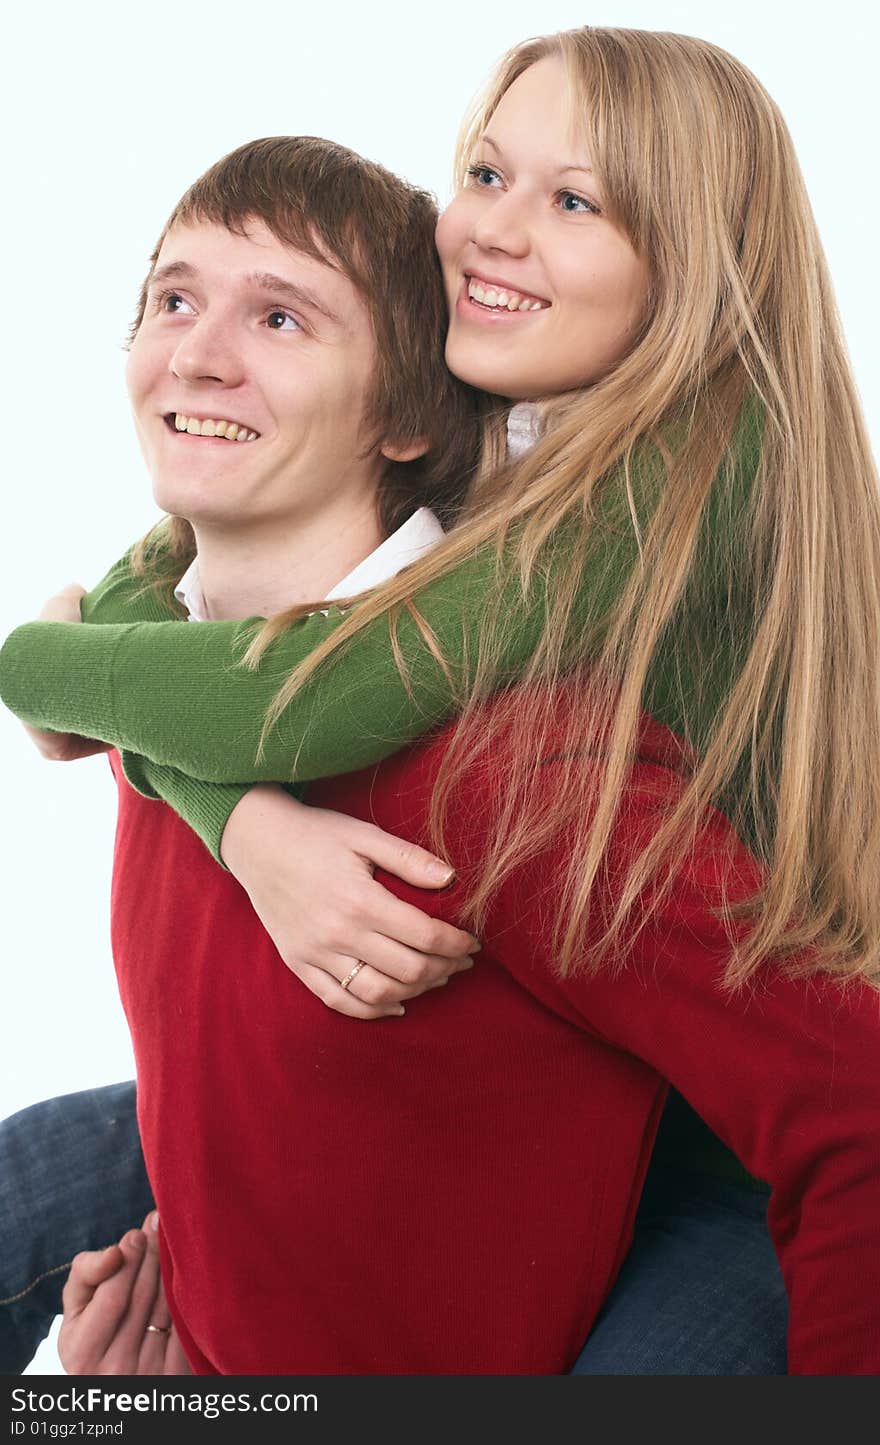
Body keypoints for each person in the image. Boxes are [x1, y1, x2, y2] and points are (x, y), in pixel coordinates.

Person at [3, 24, 879, 1374]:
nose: (491, 230)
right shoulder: (430, 507)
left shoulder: (623, 543)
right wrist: (243, 825)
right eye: (484, 171)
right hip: (510, 1102)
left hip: (725, 1162)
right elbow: (177, 649)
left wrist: (35, 669)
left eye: (576, 200)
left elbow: (291, 702)